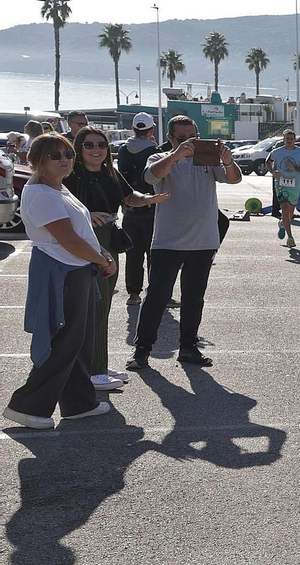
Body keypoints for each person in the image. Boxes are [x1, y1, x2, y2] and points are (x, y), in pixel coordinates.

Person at [4, 134, 118, 429]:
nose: (65, 159)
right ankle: (27, 406)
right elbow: (68, 240)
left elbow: (80, 233)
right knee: (63, 342)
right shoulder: (42, 192)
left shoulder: (58, 188)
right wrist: (102, 260)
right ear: (37, 160)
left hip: (75, 268)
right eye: (55, 156)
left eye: (68, 154)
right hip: (62, 270)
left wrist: (100, 253)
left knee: (78, 340)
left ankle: (79, 404)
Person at [127, 116, 241, 371]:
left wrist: (228, 160)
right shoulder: (160, 158)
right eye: (183, 138)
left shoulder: (207, 159)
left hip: (203, 242)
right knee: (157, 296)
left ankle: (188, 347)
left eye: (194, 136)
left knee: (194, 298)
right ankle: (142, 350)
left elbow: (233, 178)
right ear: (170, 139)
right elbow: (150, 178)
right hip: (168, 242)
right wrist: (177, 154)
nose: (190, 142)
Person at [64, 128, 163, 391]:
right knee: (92, 307)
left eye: (102, 144)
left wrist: (150, 199)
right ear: (78, 147)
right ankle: (92, 372)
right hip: (86, 240)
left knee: (103, 306)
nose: (96, 149)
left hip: (109, 238)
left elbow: (129, 197)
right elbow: (61, 208)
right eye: (89, 145)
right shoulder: (70, 175)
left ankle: (97, 365)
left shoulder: (110, 172)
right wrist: (87, 213)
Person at [116, 112, 161, 304]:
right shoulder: (156, 151)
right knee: (155, 254)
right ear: (151, 130)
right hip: (152, 206)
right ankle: (157, 292)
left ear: (133, 129)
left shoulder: (123, 150)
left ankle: (133, 293)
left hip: (129, 206)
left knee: (133, 254)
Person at [268, 129, 300, 249]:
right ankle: (290, 237)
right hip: (280, 184)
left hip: (294, 185)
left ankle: (282, 224)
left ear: (295, 140)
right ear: (283, 140)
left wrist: (294, 167)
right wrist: (273, 171)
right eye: (287, 139)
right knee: (285, 210)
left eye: (291, 139)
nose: (289, 141)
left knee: (290, 212)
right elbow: (268, 162)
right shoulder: (277, 152)